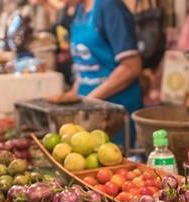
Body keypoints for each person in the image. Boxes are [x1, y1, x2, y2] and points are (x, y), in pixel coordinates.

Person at [61, 0, 143, 146]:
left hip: (114, 113)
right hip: (90, 111)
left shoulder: (110, 7)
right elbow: (86, 63)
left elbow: (131, 67)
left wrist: (89, 99)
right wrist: (73, 95)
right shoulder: (80, 10)